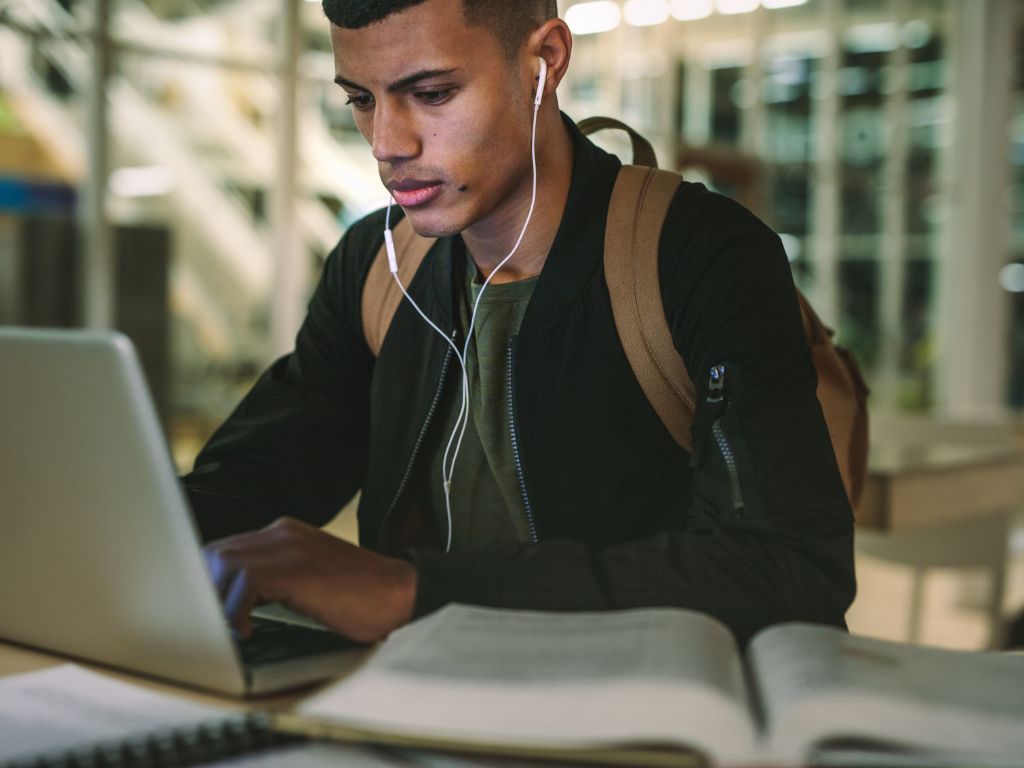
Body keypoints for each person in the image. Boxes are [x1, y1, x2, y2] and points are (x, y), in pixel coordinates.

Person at [187, 0, 856, 647]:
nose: (388, 144)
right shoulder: (377, 264)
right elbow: (254, 477)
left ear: (545, 61)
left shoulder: (699, 255)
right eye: (362, 99)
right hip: (409, 705)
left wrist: (418, 591)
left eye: (433, 93)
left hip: (624, 712)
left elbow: (791, 567)